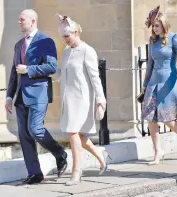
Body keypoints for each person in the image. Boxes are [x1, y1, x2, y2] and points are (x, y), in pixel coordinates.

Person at [4, 9, 67, 185]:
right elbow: (13, 73)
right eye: (19, 20)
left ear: (33, 21)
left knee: (35, 129)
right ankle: (35, 173)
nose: (19, 22)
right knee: (24, 135)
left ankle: (60, 153)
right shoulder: (18, 44)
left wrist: (29, 70)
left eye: (22, 20)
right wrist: (9, 96)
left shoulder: (45, 41)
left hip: (39, 93)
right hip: (20, 98)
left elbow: (52, 67)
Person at [55, 14, 109, 186]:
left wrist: (101, 100)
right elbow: (60, 74)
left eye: (67, 36)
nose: (65, 40)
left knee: (72, 133)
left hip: (81, 98)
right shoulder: (66, 51)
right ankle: (101, 155)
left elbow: (95, 78)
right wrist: (43, 70)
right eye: (63, 36)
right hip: (68, 98)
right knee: (78, 136)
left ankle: (76, 172)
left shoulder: (87, 50)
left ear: (76, 32)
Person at [141, 6, 177, 165]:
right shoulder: (152, 40)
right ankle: (158, 151)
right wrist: (145, 84)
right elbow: (150, 63)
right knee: (150, 118)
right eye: (153, 26)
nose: (154, 29)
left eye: (156, 26)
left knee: (167, 118)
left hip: (168, 82)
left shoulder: (174, 38)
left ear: (164, 24)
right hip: (153, 82)